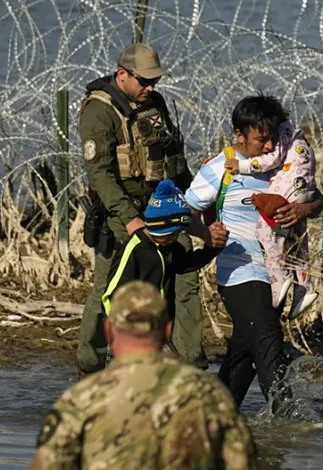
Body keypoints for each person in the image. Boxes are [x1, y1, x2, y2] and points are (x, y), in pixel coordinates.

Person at [77, 42, 228, 375]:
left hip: (165, 206)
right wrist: (130, 219)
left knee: (186, 275)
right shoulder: (99, 110)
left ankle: (191, 360)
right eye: (144, 80)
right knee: (110, 286)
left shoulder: (153, 102)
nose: (150, 87)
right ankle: (92, 360)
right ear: (122, 74)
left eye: (154, 81)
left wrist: (195, 200)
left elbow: (171, 158)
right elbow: (100, 174)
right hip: (121, 214)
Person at [184, 94, 323, 413]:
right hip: (239, 272)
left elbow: (318, 200)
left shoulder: (282, 160)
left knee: (244, 354)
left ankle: (213, 417)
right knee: (267, 342)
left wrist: (302, 209)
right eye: (261, 139)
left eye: (273, 137)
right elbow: (184, 212)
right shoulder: (220, 167)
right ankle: (288, 419)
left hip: (277, 275)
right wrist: (204, 233)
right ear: (240, 135)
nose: (268, 146)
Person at [28, 281, 257, 470]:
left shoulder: (81, 399)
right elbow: (242, 462)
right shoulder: (210, 394)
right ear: (168, 330)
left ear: (109, 330)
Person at [101, 179, 224, 355]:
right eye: (174, 233)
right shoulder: (134, 250)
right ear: (161, 228)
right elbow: (110, 296)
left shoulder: (168, 247)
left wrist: (213, 249)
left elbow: (185, 264)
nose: (177, 237)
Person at [223, 108, 319, 319]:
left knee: (264, 231)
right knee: (298, 242)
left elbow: (270, 160)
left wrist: (241, 166)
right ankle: (305, 288)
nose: (268, 145)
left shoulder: (281, 136)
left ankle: (280, 277)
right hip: (302, 190)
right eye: (262, 139)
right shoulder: (294, 135)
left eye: (269, 139)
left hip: (290, 188)